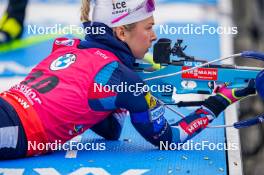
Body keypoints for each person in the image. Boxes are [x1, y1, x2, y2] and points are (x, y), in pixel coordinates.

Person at [0, 0, 256, 159]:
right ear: (121, 32)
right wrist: (220, 101)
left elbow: (109, 130)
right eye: (148, 27)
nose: (154, 36)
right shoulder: (122, 79)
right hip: (13, 129)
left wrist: (128, 92)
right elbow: (170, 139)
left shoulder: (69, 46)